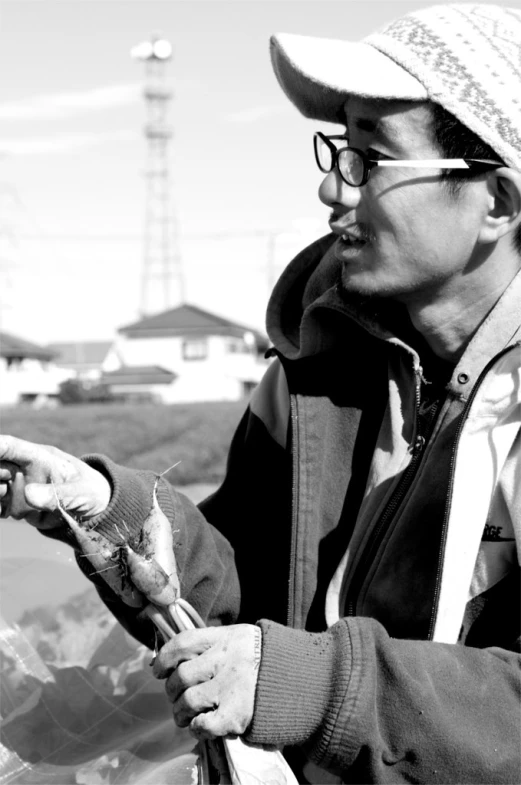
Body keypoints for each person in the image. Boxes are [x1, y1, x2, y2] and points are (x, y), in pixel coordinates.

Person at [1, 3, 520, 782]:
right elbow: (246, 593)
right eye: (336, 149)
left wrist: (309, 684)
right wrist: (107, 507)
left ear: (498, 202)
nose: (328, 187)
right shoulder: (315, 377)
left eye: (370, 158)